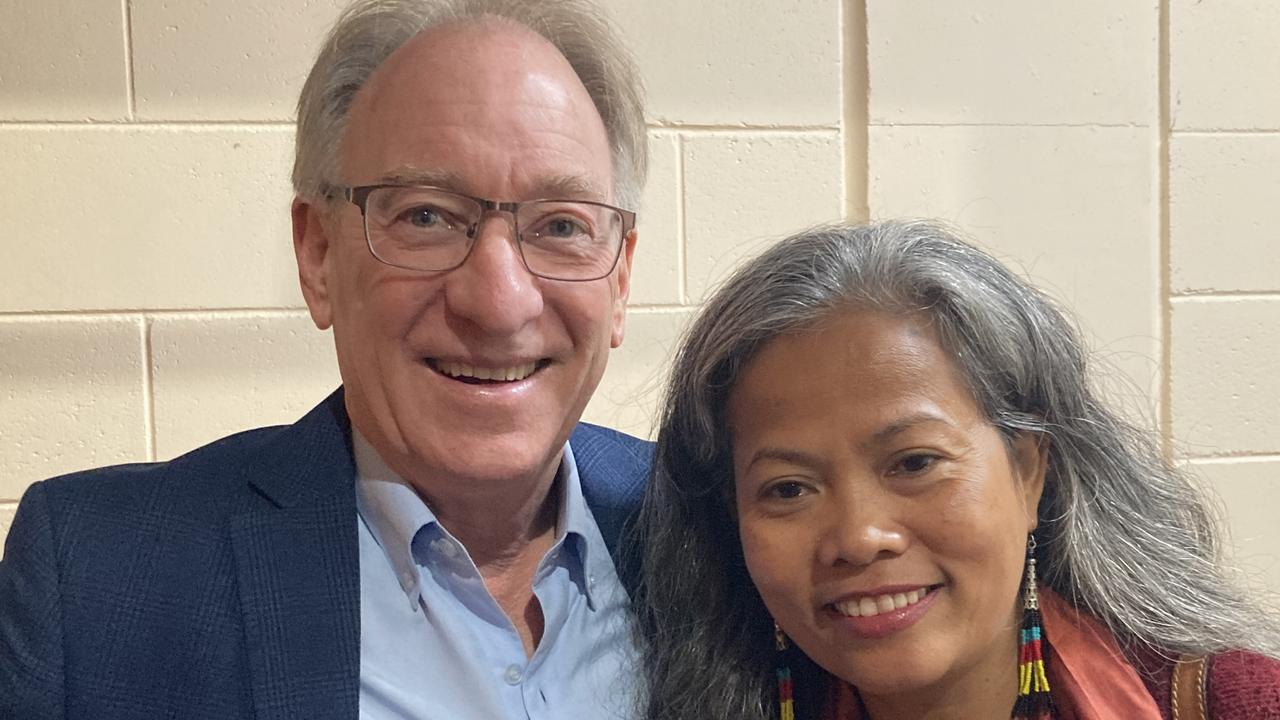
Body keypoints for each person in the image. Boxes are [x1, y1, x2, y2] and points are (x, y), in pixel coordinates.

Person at [0, 0, 652, 717]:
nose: (498, 302)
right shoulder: (99, 578)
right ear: (317, 257)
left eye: (561, 225)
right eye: (424, 216)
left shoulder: (716, 526)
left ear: (619, 280)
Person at [636, 220, 1280, 719]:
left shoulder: (1231, 704)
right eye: (789, 488)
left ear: (1030, 471)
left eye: (914, 462)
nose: (860, 537)